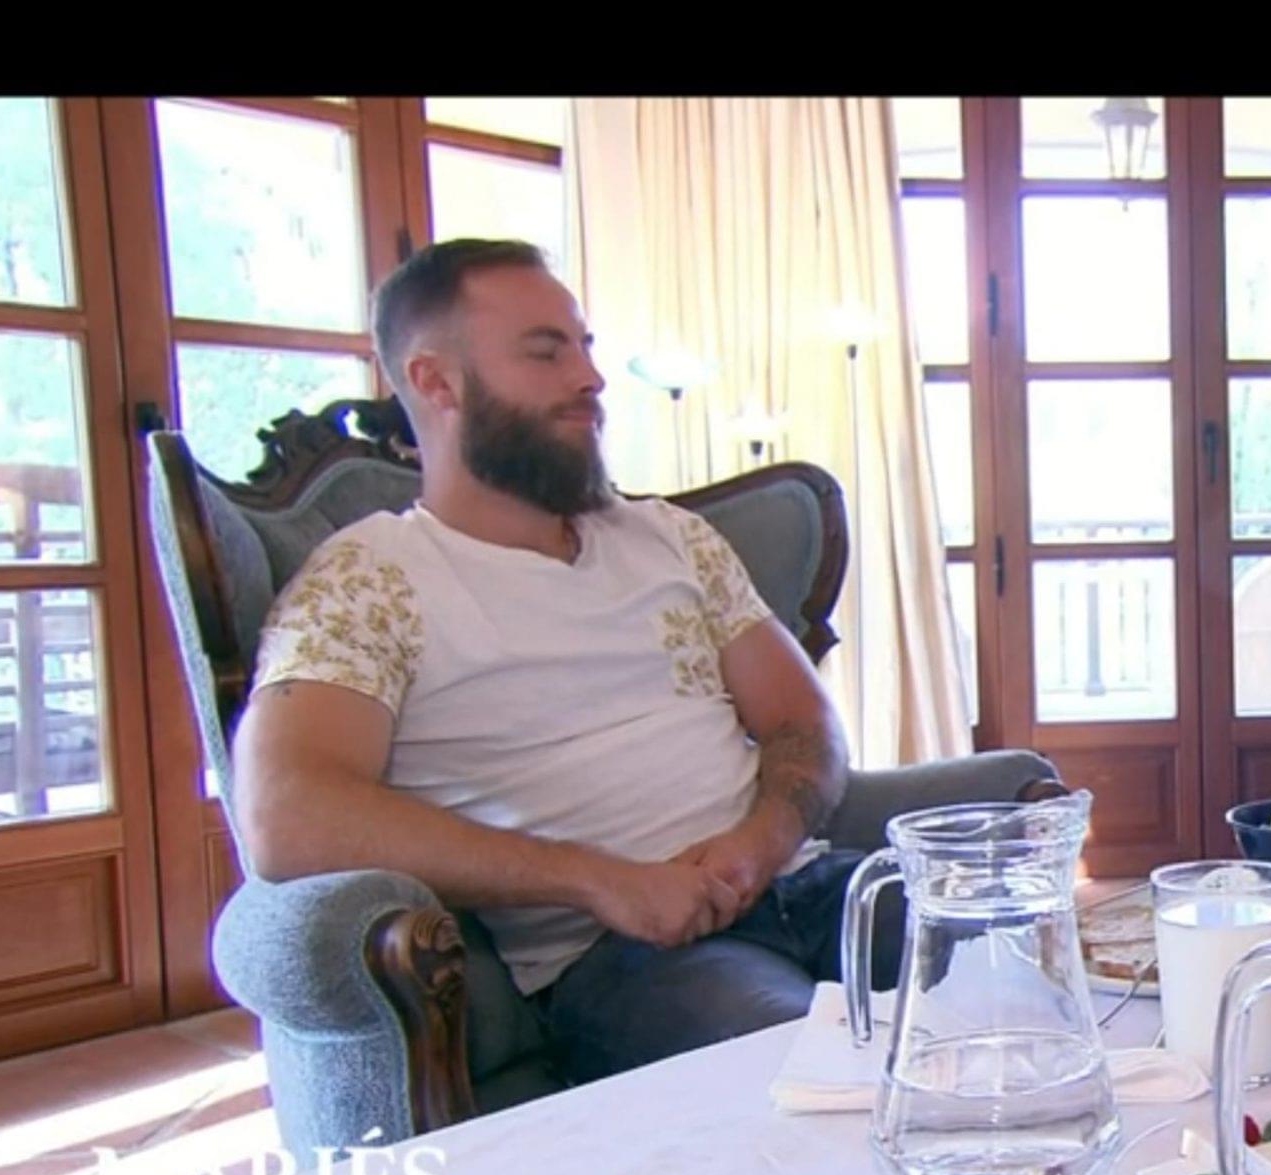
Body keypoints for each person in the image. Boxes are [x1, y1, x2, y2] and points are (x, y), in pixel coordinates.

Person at [230, 238, 896, 1084]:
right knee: (812, 1077)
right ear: (436, 382)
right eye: (546, 353)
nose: (591, 378)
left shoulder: (672, 538)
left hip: (812, 887)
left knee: (1041, 976)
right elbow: (288, 815)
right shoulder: (369, 580)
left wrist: (759, 843)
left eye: (584, 347)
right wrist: (600, 882)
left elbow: (802, 719)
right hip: (631, 959)